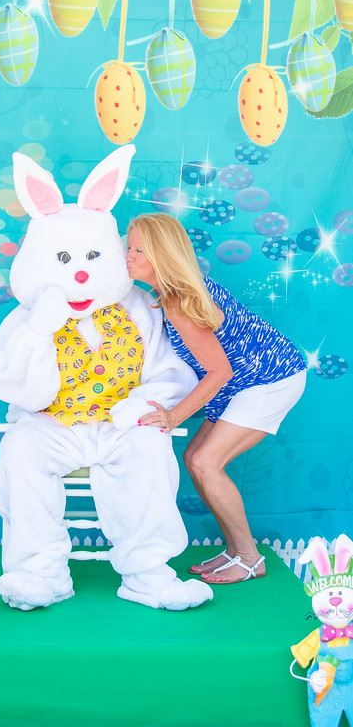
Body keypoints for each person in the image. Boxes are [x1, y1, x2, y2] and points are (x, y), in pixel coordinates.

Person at [126, 213, 307, 585]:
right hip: (242, 382)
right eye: (129, 247)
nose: (128, 256)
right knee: (195, 459)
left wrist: (173, 416)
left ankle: (250, 558)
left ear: (162, 254)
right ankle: (235, 550)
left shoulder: (179, 300)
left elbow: (219, 371)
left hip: (269, 378)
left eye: (139, 250)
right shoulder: (169, 293)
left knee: (207, 463)